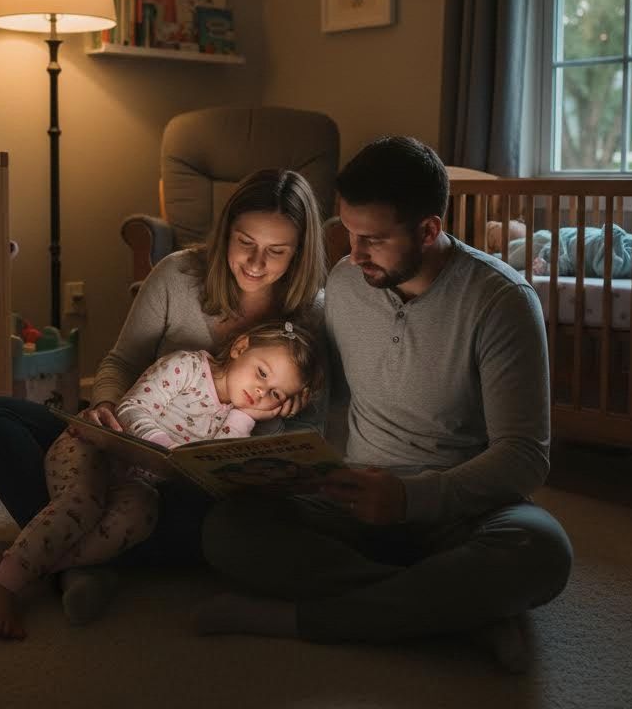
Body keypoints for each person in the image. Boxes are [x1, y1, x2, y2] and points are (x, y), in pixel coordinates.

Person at [197, 137, 574, 674]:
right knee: (229, 528)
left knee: (542, 549)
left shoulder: (502, 302)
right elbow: (317, 390)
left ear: (429, 230)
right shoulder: (347, 283)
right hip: (352, 495)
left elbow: (524, 457)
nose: (354, 253)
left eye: (373, 238)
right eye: (348, 232)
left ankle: (306, 620)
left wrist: (409, 499)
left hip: (459, 506)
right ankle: (459, 613)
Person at [0, 168, 327, 626]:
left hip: (184, 488)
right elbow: (119, 363)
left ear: (298, 253)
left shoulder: (311, 315)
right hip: (122, 440)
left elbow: (300, 437)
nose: (256, 263)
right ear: (226, 231)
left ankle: (49, 558)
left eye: (276, 252)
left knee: (219, 524)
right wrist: (106, 410)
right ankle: (77, 559)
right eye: (244, 242)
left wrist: (282, 412)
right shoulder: (177, 275)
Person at [0, 320, 322, 639]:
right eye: (262, 374)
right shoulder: (187, 367)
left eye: (276, 394)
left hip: (138, 480)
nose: (262, 392)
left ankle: (32, 563)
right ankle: (2, 587)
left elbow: (213, 462)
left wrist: (247, 416)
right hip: (95, 447)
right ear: (240, 347)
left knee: (140, 513)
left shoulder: (237, 418)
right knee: (81, 503)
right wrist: (168, 451)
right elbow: (131, 409)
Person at [485, 219, 632, 278]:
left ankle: (485, 258)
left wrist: (614, 235)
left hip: (559, 251)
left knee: (507, 259)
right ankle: (494, 242)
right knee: (526, 243)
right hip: (560, 240)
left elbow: (608, 266)